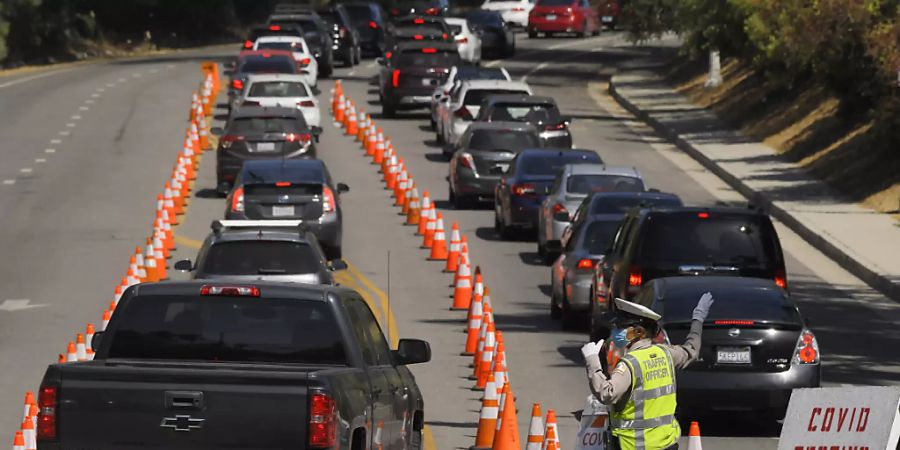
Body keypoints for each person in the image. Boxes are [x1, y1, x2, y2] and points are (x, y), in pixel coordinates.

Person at [581, 293, 714, 450]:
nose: (615, 331)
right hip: (667, 444)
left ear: (638, 332)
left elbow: (607, 393)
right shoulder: (666, 353)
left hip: (634, 446)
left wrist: (592, 361)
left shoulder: (630, 364)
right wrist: (698, 319)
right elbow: (691, 349)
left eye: (620, 327)